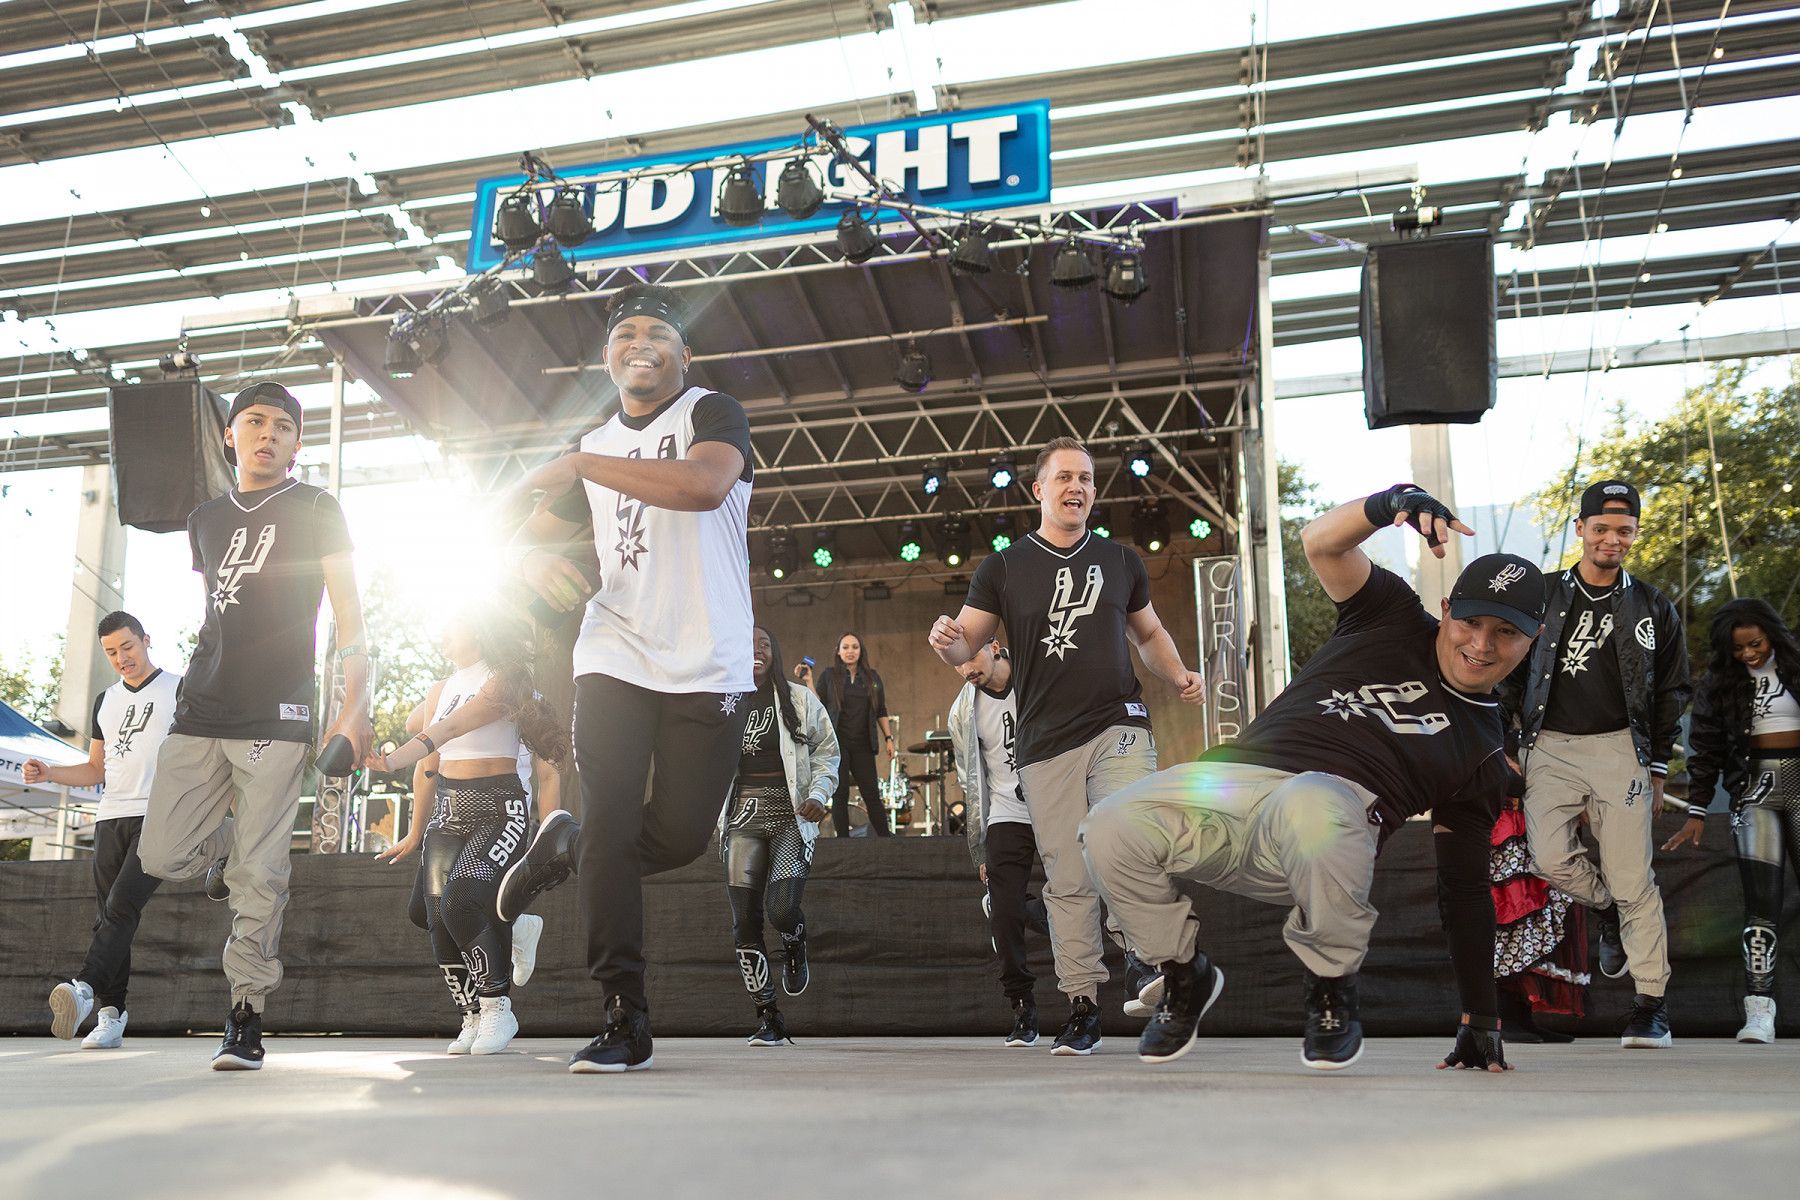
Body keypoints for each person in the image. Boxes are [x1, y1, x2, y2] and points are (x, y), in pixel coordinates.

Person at [1079, 483, 1545, 1073]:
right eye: (1471, 622)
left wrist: (1480, 1018)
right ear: (1447, 607)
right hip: (1232, 785)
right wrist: (1391, 504)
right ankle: (1182, 972)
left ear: (1532, 638)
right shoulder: (1391, 616)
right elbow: (1321, 542)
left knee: (1310, 798)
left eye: (1505, 632)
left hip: (1321, 832)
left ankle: (1330, 989)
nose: (1480, 645)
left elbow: (1464, 889)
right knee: (1109, 823)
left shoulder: (1481, 752)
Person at [496, 282, 755, 1074]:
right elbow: (508, 526)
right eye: (624, 333)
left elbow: (704, 486)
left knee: (679, 835)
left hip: (708, 657)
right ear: (607, 358)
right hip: (613, 652)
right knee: (611, 818)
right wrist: (527, 561)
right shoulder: (596, 444)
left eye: (658, 332)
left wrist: (581, 463)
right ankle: (623, 1012)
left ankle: (565, 850)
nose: (639, 342)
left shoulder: (712, 413)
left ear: (685, 354)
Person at [929, 436, 1204, 1056]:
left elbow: (1149, 634)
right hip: (1045, 743)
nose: (1076, 487)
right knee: (1068, 878)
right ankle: (1082, 1005)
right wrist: (946, 641)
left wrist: (1178, 673)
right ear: (1038, 490)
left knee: (1123, 839)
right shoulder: (1003, 568)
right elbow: (965, 643)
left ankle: (1145, 958)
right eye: (1064, 478)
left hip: (1119, 724)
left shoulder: (1122, 560)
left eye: (1085, 478)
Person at [136, 380, 372, 1072]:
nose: (269, 434)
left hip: (279, 711)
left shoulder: (318, 507)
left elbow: (350, 617)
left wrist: (355, 707)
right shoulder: (204, 519)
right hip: (202, 708)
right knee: (162, 856)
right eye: (256, 421)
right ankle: (225, 860)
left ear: (296, 443)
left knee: (261, 872)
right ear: (230, 434)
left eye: (284, 427)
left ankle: (245, 1012)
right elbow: (217, 612)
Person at [1500, 479, 1690, 1049]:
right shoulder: (1541, 594)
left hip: (1620, 749)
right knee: (1549, 859)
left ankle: (1651, 1005)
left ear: (1635, 533)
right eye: (1601, 528)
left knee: (1635, 879)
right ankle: (1605, 910)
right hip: (1548, 746)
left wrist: (1658, 765)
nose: (1612, 539)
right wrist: (1507, 745)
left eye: (1624, 530)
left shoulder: (1652, 605)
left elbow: (1672, 690)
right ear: (1580, 529)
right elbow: (1508, 670)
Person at [370, 605, 568, 1056]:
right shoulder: (440, 689)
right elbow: (428, 765)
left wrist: (547, 835)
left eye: (451, 623)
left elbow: (453, 728)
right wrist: (415, 833)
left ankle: (498, 1008)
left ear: (477, 628)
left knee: (461, 900)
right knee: (436, 914)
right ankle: (472, 1014)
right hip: (448, 809)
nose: (442, 633)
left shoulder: (506, 680)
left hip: (499, 808)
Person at [28, 612, 181, 1049]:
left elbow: (207, 755)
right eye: (111, 652)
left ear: (146, 639)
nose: (121, 658)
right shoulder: (105, 701)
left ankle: (83, 989)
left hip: (159, 815)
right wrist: (50, 772)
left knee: (121, 906)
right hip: (111, 817)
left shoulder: (181, 690)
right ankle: (112, 1015)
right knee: (110, 917)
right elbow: (96, 768)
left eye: (127, 647)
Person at [1668, 597, 1800, 1044]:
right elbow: (1705, 751)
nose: (1748, 653)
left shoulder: (1796, 668)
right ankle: (1760, 1010)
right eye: (1738, 648)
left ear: (1772, 635)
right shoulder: (1718, 685)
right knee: (1761, 905)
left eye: (1755, 644)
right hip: (1755, 792)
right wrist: (1697, 809)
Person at [720, 624, 838, 1046]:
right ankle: (769, 1015)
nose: (757, 650)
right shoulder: (723, 702)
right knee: (744, 922)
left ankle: (794, 939)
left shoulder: (800, 699)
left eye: (764, 644)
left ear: (775, 652)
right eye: (748, 643)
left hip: (791, 814)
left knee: (782, 908)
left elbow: (827, 751)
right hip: (742, 816)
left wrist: (819, 794)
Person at [948, 635, 1052, 1047]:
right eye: (957, 663)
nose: (966, 669)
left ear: (993, 645)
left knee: (1078, 895)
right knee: (1004, 915)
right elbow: (970, 779)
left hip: (1055, 804)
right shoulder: (963, 709)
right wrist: (980, 846)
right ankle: (1022, 1007)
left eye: (971, 657)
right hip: (1007, 812)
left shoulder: (1037, 677)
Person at [812, 632, 896, 837]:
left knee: (871, 794)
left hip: (863, 744)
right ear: (838, 651)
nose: (850, 651)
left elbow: (881, 710)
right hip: (838, 744)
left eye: (855, 647)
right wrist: (808, 681)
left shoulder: (872, 677)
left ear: (861, 651)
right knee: (840, 794)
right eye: (846, 647)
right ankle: (843, 842)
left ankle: (886, 839)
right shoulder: (829, 676)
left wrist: (888, 738)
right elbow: (818, 706)